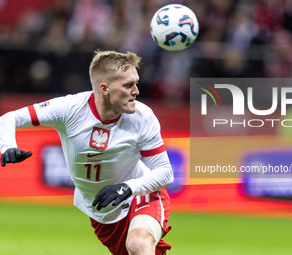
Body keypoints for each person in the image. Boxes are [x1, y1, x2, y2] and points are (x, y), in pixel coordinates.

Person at [0, 50, 174, 255]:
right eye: (128, 85)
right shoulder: (69, 109)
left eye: (136, 82)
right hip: (103, 211)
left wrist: (127, 188)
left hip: (140, 193)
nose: (136, 91)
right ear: (104, 88)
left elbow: (165, 172)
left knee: (138, 244)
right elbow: (10, 118)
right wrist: (7, 145)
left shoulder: (142, 117)